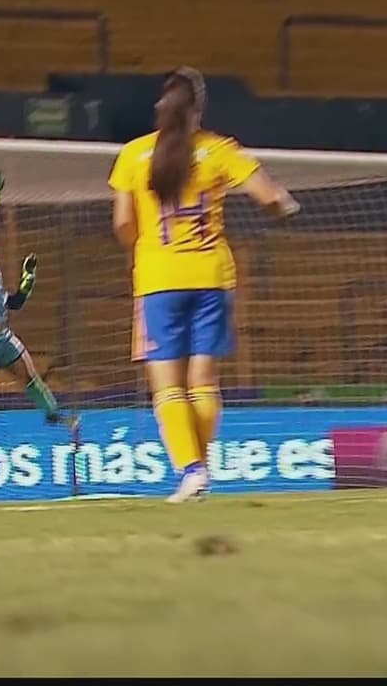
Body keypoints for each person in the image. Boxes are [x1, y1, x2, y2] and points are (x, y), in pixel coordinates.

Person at [108, 67, 301, 502]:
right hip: (211, 276)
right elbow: (270, 197)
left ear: (161, 107)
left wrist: (147, 248)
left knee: (168, 386)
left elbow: (122, 224)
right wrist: (285, 207)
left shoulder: (134, 155)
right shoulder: (219, 150)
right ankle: (201, 470)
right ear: (199, 108)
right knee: (203, 383)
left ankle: (192, 470)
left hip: (159, 279)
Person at [0, 168, 80, 476]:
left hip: (3, 338)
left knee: (31, 377)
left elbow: (17, 302)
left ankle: (53, 413)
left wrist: (29, 278)